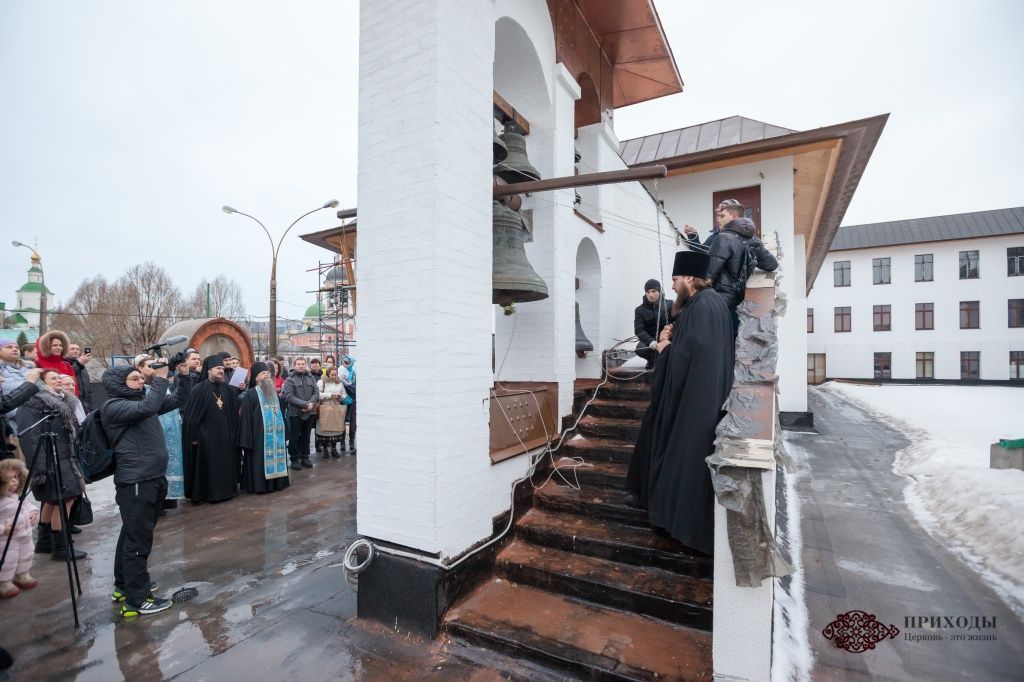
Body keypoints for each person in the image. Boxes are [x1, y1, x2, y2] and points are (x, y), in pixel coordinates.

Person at [625, 250, 734, 555]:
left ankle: (675, 525)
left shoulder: (703, 305)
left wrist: (664, 348)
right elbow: (693, 346)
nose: (672, 286)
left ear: (689, 278)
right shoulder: (708, 303)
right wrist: (672, 333)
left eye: (675, 280)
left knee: (679, 460)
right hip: (700, 397)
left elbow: (687, 355)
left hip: (694, 403)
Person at [101, 360, 191, 616]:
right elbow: (149, 406)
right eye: (135, 378)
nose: (142, 381)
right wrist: (160, 377)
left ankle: (125, 585)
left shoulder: (139, 403)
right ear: (119, 384)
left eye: (141, 378)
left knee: (131, 534)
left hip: (151, 478)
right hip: (136, 481)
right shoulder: (114, 406)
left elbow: (178, 399)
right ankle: (137, 600)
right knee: (138, 541)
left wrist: (183, 375)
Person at [16, 369, 86, 561]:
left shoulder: (62, 401)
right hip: (50, 459)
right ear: (41, 382)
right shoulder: (33, 403)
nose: (59, 380)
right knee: (63, 500)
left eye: (59, 377)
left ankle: (44, 541)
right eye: (53, 378)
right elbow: (29, 439)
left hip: (64, 457)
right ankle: (61, 548)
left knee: (53, 500)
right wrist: (41, 467)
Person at [694, 199, 778, 336]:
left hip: (718, 302)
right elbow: (771, 264)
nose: (718, 220)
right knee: (731, 340)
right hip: (738, 301)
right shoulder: (754, 240)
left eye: (722, 216)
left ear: (733, 216)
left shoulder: (723, 238)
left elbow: (707, 275)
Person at [181, 356, 240, 503]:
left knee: (224, 464)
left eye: (222, 369)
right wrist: (194, 437)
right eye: (218, 368)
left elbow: (233, 414)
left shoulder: (227, 389)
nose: (221, 371)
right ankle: (206, 494)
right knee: (208, 466)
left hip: (225, 436)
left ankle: (226, 491)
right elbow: (191, 418)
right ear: (208, 370)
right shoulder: (198, 390)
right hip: (206, 439)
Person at [238, 362, 290, 494]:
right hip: (259, 436)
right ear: (256, 377)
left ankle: (277, 483)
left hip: (276, 436)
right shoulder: (250, 394)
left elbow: (281, 413)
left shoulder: (274, 393)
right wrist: (246, 439)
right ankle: (261, 486)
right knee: (259, 460)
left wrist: (285, 432)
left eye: (268, 373)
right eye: (263, 373)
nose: (267, 375)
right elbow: (245, 419)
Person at [0, 458, 39, 598]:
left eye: (16, 477)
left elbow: (25, 505)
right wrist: (2, 529)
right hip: (6, 539)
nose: (15, 481)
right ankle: (4, 582)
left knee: (25, 553)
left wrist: (32, 512)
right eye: (10, 479)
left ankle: (22, 574)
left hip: (23, 534)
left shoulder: (16, 496)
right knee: (7, 558)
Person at [1, 344, 39, 462]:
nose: (14, 349)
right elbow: (5, 404)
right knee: (17, 463)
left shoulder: (29, 368)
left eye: (17, 347)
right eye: (9, 347)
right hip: (11, 424)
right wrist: (29, 384)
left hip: (33, 419)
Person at [282, 357, 319, 470]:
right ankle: (294, 459)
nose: (301, 366)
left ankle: (305, 457)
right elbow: (289, 396)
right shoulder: (290, 380)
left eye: (303, 364)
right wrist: (305, 405)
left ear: (306, 365)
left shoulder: (311, 377)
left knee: (306, 436)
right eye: (298, 364)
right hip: (295, 414)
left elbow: (316, 392)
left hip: (310, 412)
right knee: (295, 437)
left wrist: (310, 404)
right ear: (294, 365)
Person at [633, 280, 674, 370]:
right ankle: (653, 360)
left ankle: (664, 361)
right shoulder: (639, 310)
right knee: (640, 348)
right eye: (648, 292)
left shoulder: (669, 304)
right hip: (650, 340)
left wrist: (669, 333)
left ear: (659, 291)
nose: (651, 295)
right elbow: (639, 330)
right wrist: (651, 342)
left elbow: (677, 322)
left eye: (654, 291)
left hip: (666, 338)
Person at [315, 368, 351, 458]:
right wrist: (330, 395)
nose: (334, 377)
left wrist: (340, 397)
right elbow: (317, 394)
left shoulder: (339, 383)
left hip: (336, 407)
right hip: (324, 407)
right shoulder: (321, 382)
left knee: (335, 429)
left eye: (335, 375)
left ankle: (334, 449)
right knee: (324, 429)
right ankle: (325, 449)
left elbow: (344, 395)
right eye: (332, 375)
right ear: (328, 374)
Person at [66, 343, 94, 412]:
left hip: (86, 404)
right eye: (72, 349)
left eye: (77, 349)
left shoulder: (82, 365)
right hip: (73, 401)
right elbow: (68, 374)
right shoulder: (63, 363)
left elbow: (87, 387)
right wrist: (79, 363)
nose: (75, 351)